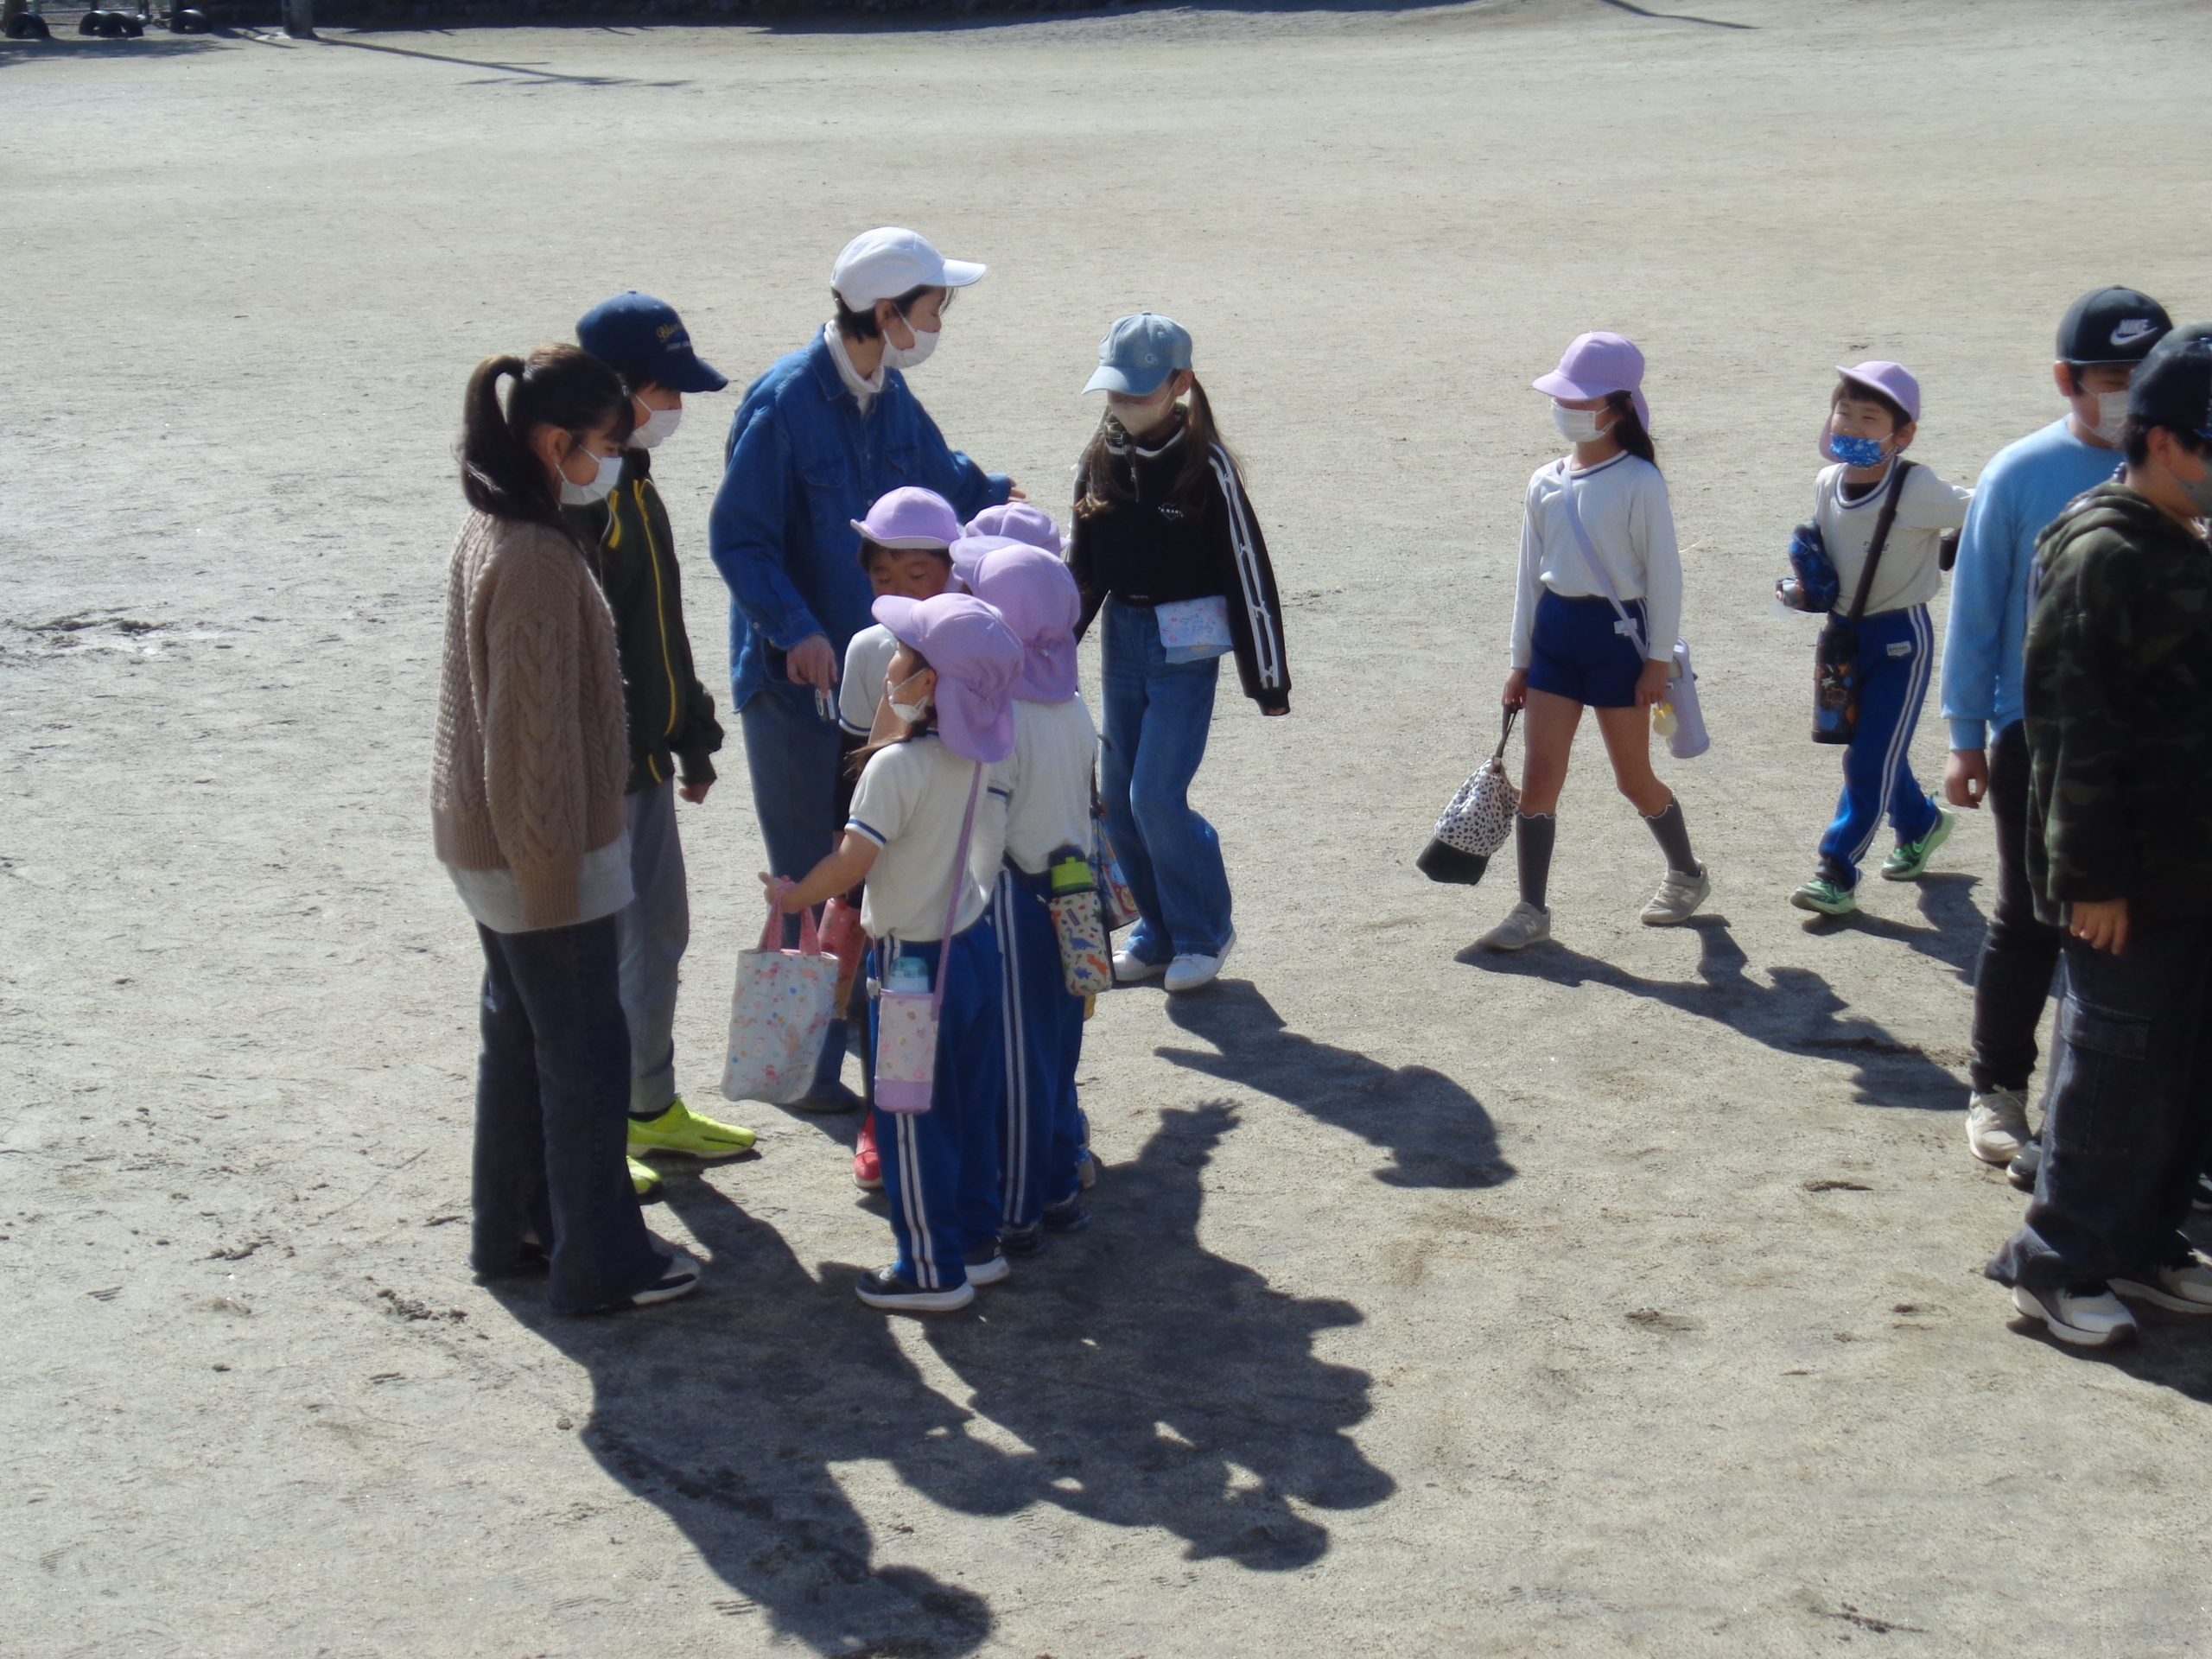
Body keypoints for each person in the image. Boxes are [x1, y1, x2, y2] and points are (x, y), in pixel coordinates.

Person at [711, 227, 1014, 1110]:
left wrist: (1006, 504)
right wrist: (796, 630)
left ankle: (884, 1060)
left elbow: (943, 481)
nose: (939, 322)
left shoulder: (889, 392)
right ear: (886, 314)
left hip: (880, 682)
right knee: (812, 869)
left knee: (877, 864)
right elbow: (740, 538)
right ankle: (806, 1073)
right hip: (795, 688)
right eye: (933, 307)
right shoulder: (784, 402)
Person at [434, 346, 701, 1314]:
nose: (618, 462)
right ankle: (601, 1264)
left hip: (489, 844)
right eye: (609, 446)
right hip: (540, 858)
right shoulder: (540, 561)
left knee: (518, 1040)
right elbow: (533, 744)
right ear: (558, 444)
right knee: (584, 1056)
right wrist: (556, 884)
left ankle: (511, 1230)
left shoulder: (497, 526)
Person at [1984, 327, 2212, 1350]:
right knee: (2113, 1073)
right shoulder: (2101, 553)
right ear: (2161, 442)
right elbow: (2070, 730)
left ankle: (2147, 1242)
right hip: (2127, 882)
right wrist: (2089, 880)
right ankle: (2056, 1261)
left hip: (2192, 868)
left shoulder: (2181, 537)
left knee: (2184, 1071)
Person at [1942, 288, 2173, 1166]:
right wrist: (1966, 734)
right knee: (2031, 918)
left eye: (2144, 375)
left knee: (2131, 933)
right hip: (2034, 734)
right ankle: (1996, 1089)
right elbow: (1975, 611)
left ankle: (2104, 1115)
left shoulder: (2182, 465)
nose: (2127, 393)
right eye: (2110, 377)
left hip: (2153, 745)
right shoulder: (2018, 473)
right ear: (2065, 379)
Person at [766, 594, 1027, 1313]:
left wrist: (792, 897)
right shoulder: (982, 753)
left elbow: (851, 864)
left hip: (912, 970)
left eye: (903, 656)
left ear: (930, 682)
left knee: (911, 1121)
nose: (890, 666)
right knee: (970, 1107)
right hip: (972, 951)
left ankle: (929, 1270)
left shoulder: (894, 770)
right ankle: (977, 1245)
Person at [568, 292, 754, 1199]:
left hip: (645, 759)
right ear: (615, 390)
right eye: (664, 389)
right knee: (601, 955)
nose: (674, 407)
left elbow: (659, 627)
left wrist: (693, 735)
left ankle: (650, 1105)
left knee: (659, 936)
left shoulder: (633, 482)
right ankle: (599, 1127)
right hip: (600, 770)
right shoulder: (582, 498)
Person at [1066, 313, 1290, 995]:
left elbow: (1247, 569)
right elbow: (1083, 568)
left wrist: (1267, 678)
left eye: (1141, 391)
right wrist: (1051, 652)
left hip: (1187, 643)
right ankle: (1157, 933)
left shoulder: (1206, 466)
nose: (1126, 403)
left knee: (1156, 795)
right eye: (1116, 390)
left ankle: (1204, 932)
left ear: (1181, 384)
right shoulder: (1099, 457)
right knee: (1118, 797)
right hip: (1123, 637)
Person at [1479, 332, 1707, 952]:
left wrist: (1656, 661)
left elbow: (1665, 577)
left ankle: (1686, 873)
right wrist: (1519, 662)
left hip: (1617, 644)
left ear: (1620, 407)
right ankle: (1531, 909)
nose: (1566, 409)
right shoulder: (1543, 481)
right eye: (1563, 398)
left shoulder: (1640, 481)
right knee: (1539, 782)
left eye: (1582, 400)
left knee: (1634, 780)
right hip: (1555, 640)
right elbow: (1529, 578)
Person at [1787, 362, 1973, 918]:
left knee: (1868, 759)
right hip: (1843, 637)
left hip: (1900, 640)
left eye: (1871, 419)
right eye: (1844, 412)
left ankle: (1836, 872)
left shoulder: (1916, 486)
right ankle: (1920, 823)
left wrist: (1952, 546)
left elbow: (1987, 506)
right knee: (1872, 747)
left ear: (1903, 434)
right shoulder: (1827, 483)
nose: (1853, 427)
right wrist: (1804, 587)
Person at [959, 541, 1099, 1252]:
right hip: (1076, 894)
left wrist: (964, 902)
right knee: (1057, 1050)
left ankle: (1017, 1212)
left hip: (1019, 896)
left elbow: (989, 830)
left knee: (1017, 1063)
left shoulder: (1001, 714)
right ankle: (1060, 1181)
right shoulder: (1070, 701)